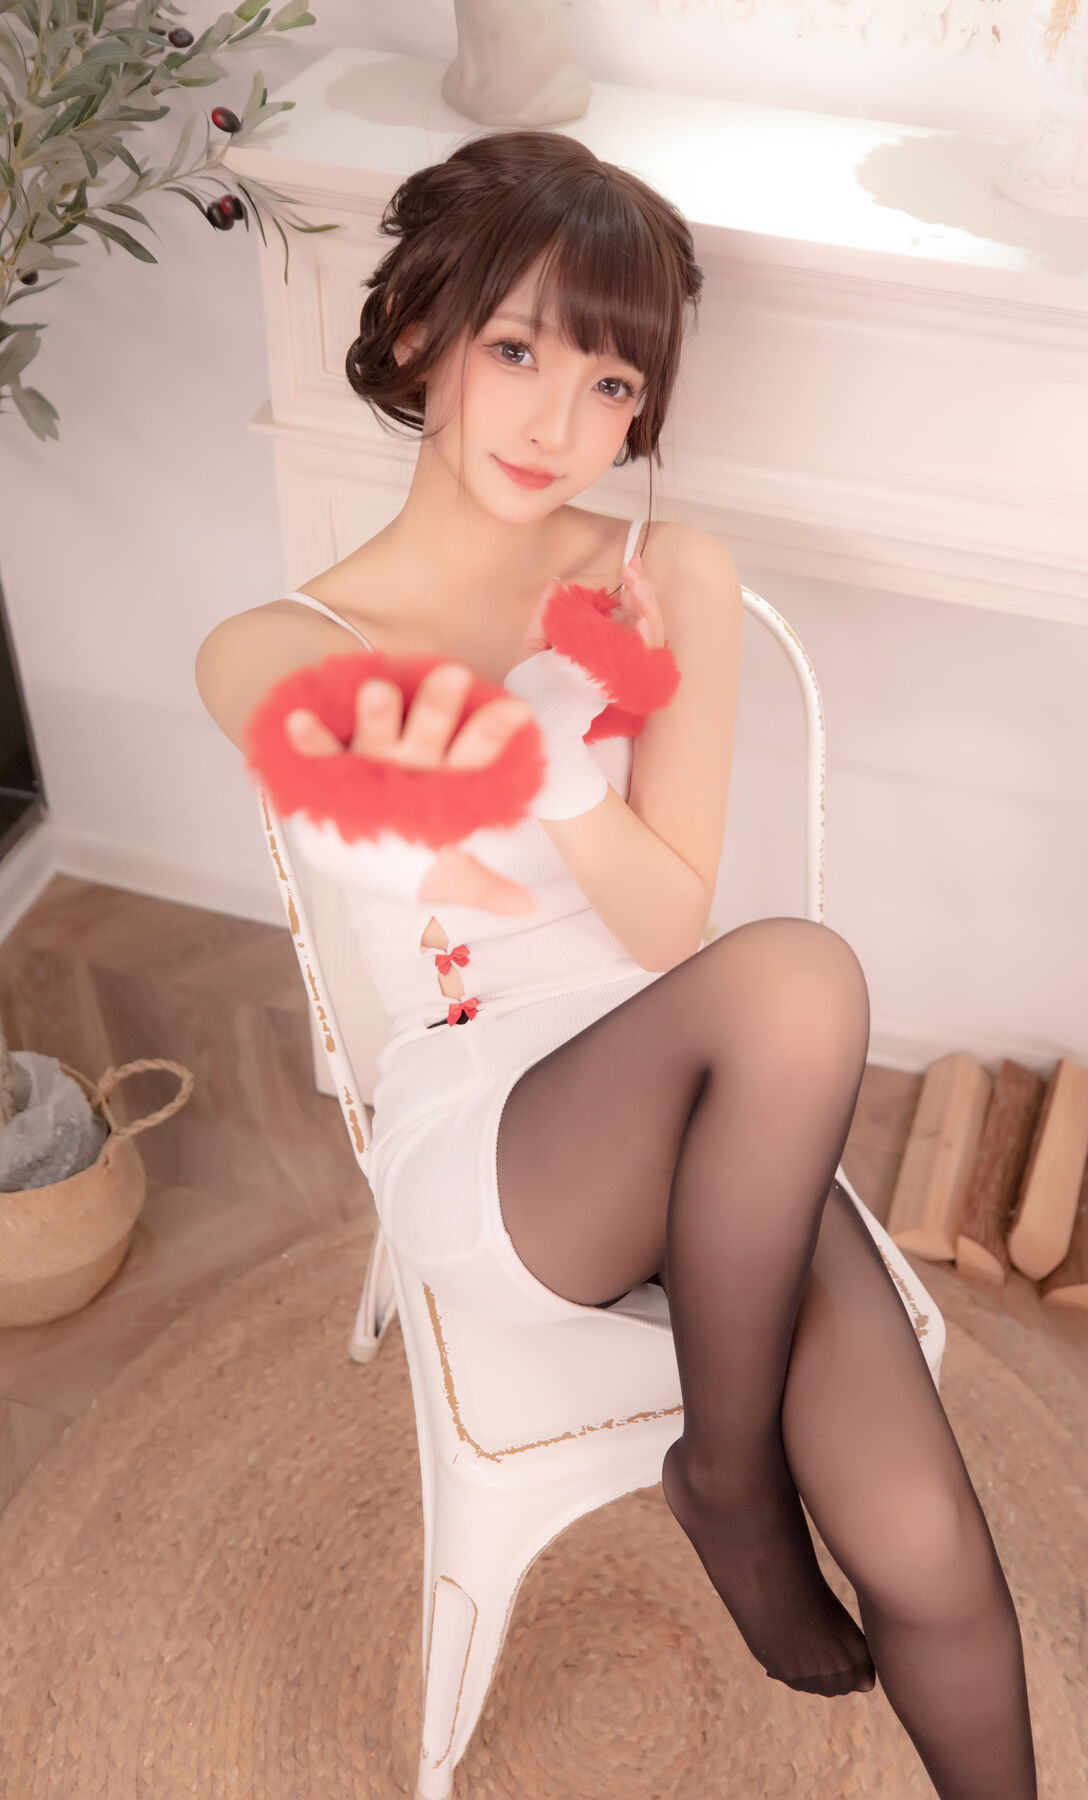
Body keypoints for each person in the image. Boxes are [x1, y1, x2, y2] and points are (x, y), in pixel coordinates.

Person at [199, 129, 1038, 1796]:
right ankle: (731, 1479)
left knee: (926, 1537)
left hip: (711, 1093)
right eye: (519, 350)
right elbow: (410, 809)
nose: (558, 424)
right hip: (501, 1140)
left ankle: (728, 1478)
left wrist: (575, 765)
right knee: (797, 979)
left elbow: (663, 931)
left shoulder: (673, 578)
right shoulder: (279, 643)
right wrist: (548, 715)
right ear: (421, 335)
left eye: (610, 384)